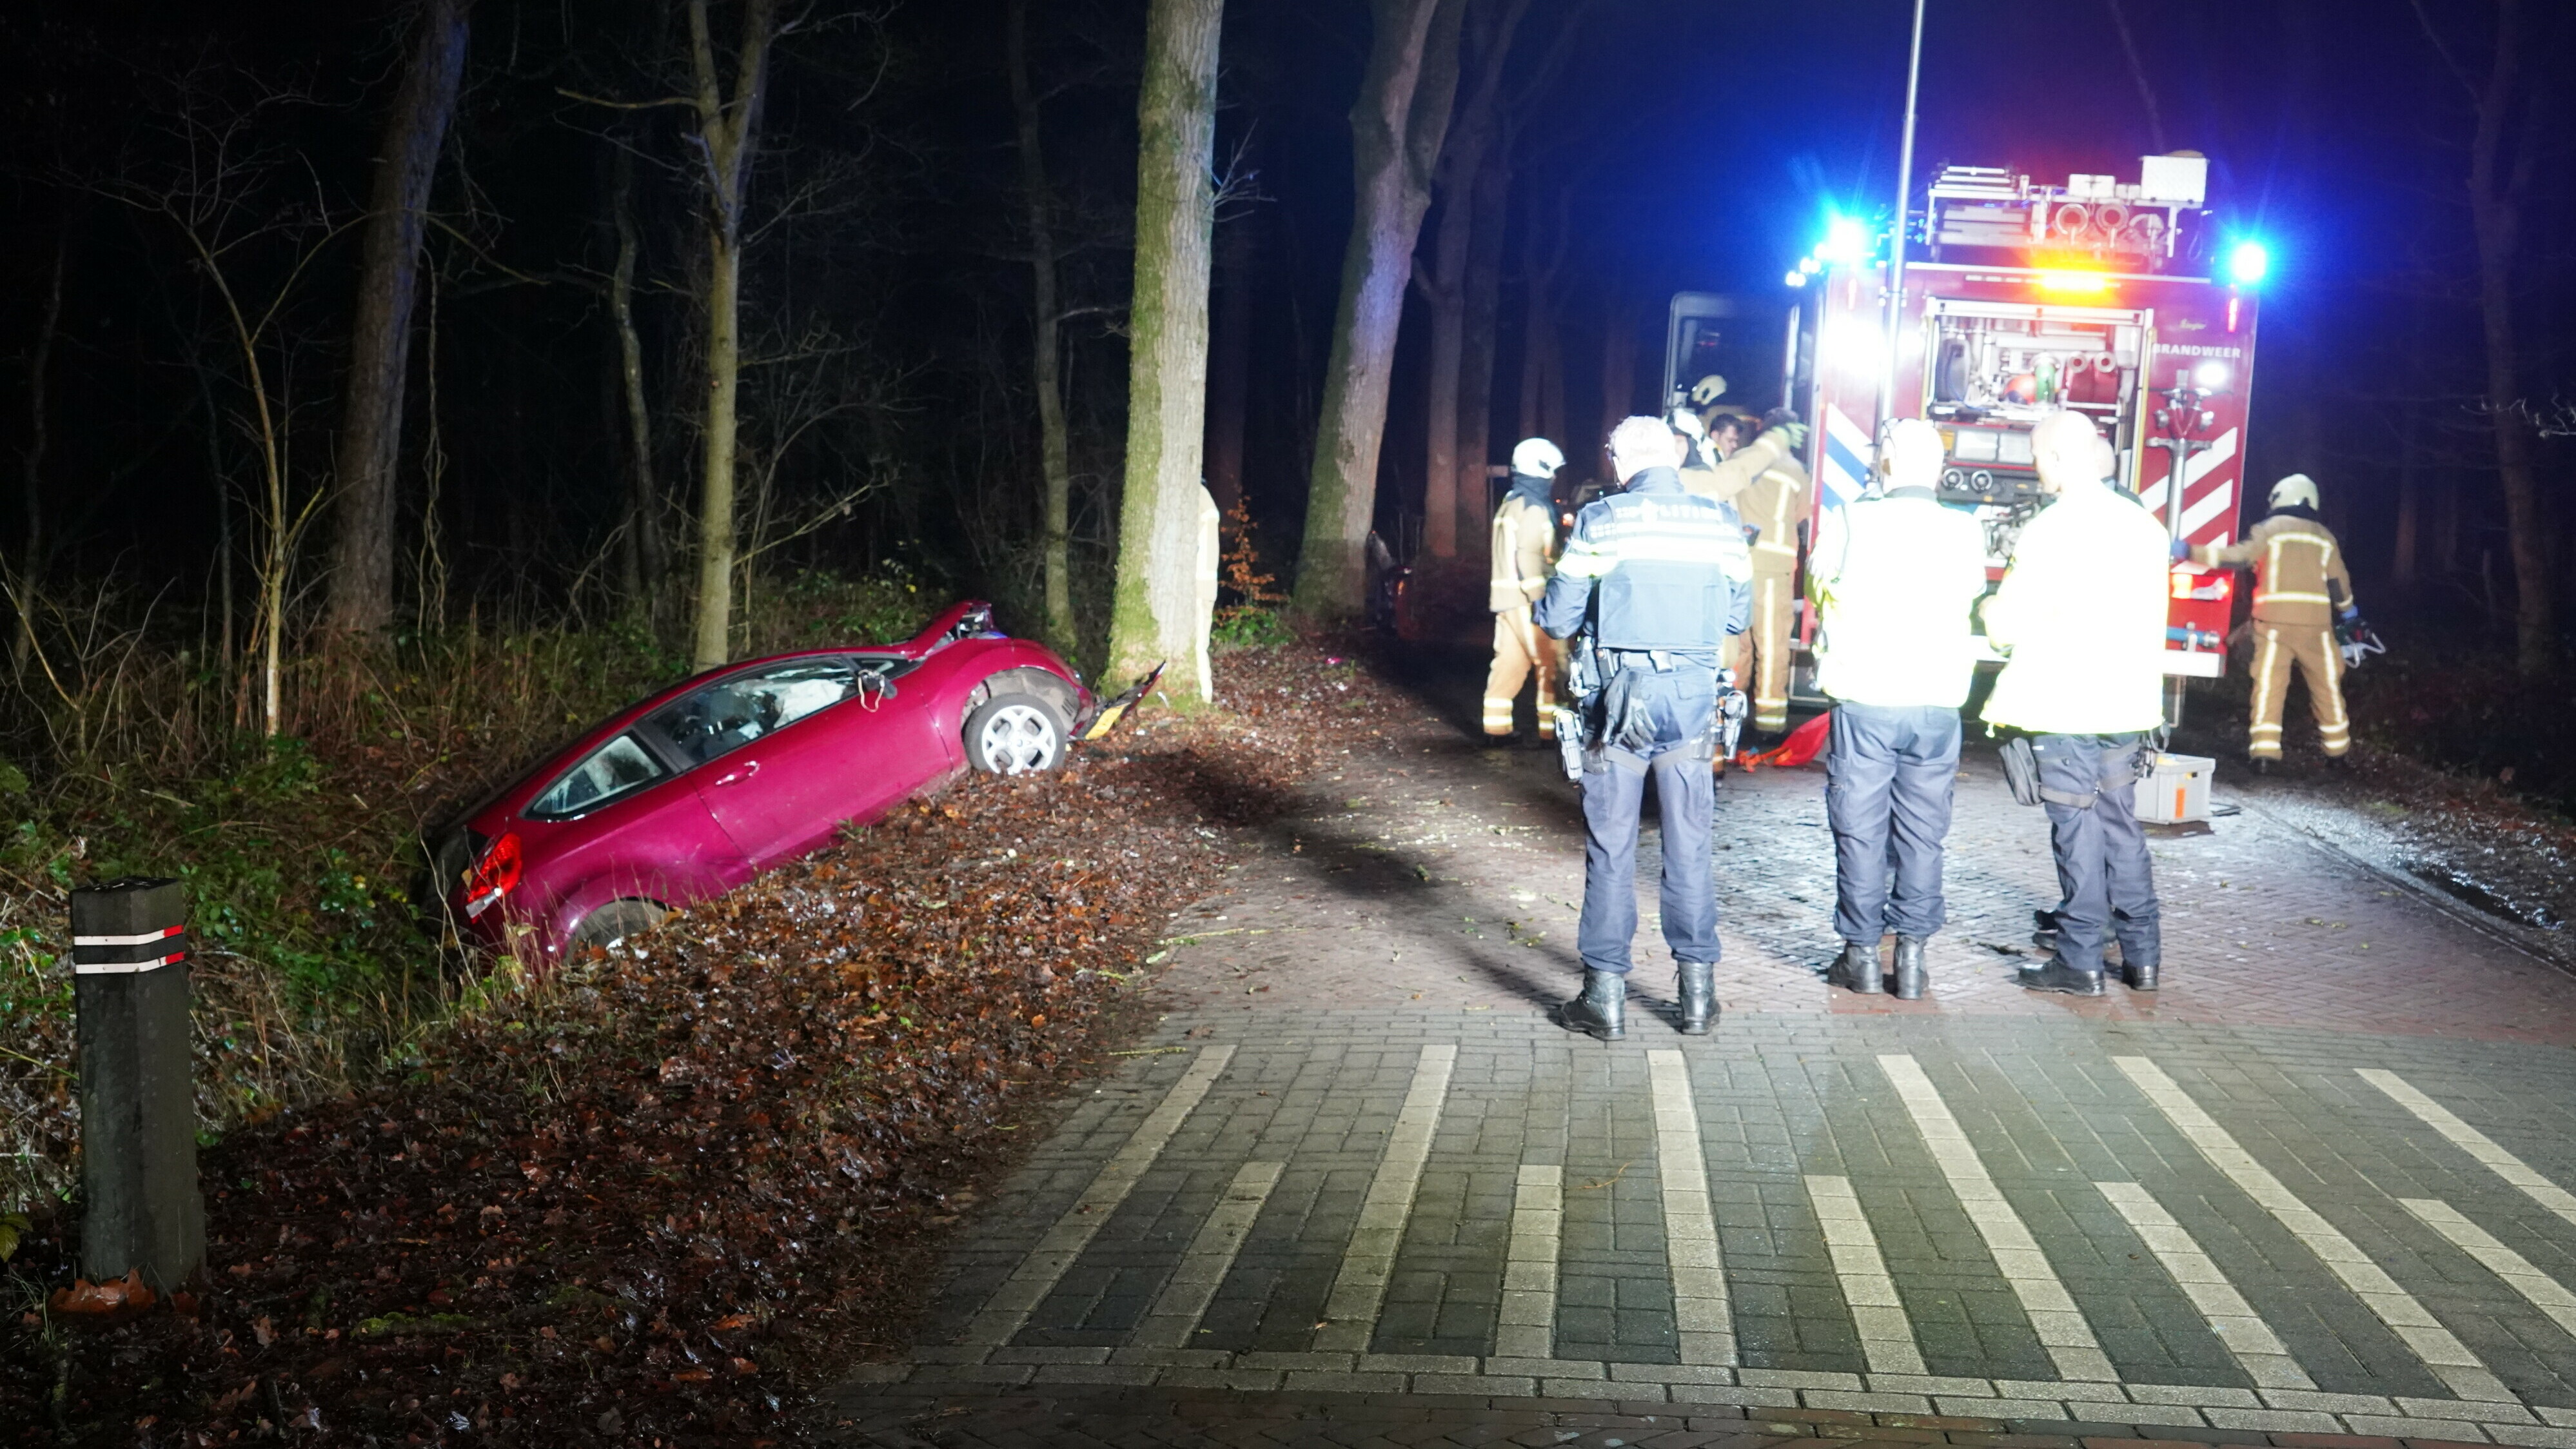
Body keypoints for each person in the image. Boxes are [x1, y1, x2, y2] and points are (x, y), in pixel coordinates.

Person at [1537, 415, 1751, 1040]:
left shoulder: (1603, 520)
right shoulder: (1719, 520)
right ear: (1674, 456)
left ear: (1616, 459)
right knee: (1689, 845)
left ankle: (1603, 999)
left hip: (1618, 703)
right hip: (1690, 701)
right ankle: (1697, 998)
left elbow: (1558, 618)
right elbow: (1736, 616)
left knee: (1611, 848)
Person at [1980, 411, 2169, 996]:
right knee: (2120, 826)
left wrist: (1988, 610)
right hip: (2127, 704)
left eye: (2038, 456)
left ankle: (2080, 960)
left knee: (2076, 830)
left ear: (2060, 458)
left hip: (2064, 704)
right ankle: (2142, 958)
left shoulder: (2051, 528)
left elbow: (2006, 626)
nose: (2034, 466)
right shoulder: (2145, 526)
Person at [1805, 419, 1990, 1000]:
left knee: (1859, 829)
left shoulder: (1851, 519)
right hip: (1935, 701)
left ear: (1884, 462)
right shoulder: (1964, 529)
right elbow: (1972, 593)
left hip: (1866, 697)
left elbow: (1817, 584)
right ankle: (1911, 959)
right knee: (1922, 833)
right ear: (1939, 469)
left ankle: (1860, 955)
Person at [2189, 473, 2355, 769]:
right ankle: (2338, 754)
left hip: (2273, 625)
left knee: (2269, 686)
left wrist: (2191, 552)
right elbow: (2337, 583)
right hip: (2316, 628)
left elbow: (2238, 557)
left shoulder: (2269, 530)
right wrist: (2349, 610)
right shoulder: (2325, 537)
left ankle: (2265, 755)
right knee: (2327, 687)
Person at [1483, 439, 1565, 744]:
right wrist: (1541, 600)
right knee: (1550, 663)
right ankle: (1552, 731)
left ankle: (1497, 729)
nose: (1554, 478)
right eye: (1551, 471)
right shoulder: (1534, 508)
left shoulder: (1511, 502)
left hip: (1506, 601)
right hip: (1527, 601)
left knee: (1510, 662)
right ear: (1540, 469)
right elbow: (1529, 556)